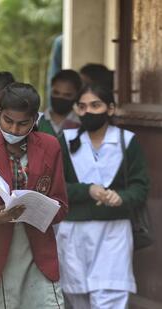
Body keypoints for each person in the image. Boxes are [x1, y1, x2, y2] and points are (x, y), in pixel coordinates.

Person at [0, 82, 68, 308]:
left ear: (35, 120)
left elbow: (61, 204)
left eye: (23, 124)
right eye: (7, 121)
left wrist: (41, 209)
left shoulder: (50, 146)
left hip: (37, 254)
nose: (14, 130)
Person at [57, 83, 149, 309]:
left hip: (114, 232)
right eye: (82, 106)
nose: (87, 111)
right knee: (77, 298)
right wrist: (86, 190)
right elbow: (55, 186)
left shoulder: (126, 141)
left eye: (95, 105)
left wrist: (122, 197)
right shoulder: (65, 140)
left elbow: (140, 185)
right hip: (74, 233)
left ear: (110, 108)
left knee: (110, 298)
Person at [37, 69, 82, 137]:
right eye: (56, 93)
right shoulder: (36, 122)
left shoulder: (82, 124)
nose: (60, 98)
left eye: (67, 95)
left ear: (77, 96)